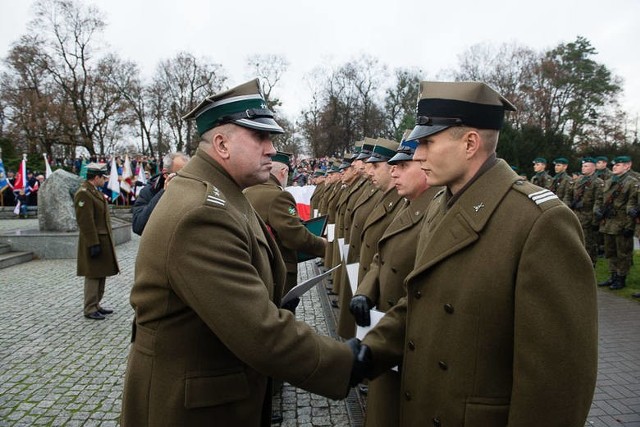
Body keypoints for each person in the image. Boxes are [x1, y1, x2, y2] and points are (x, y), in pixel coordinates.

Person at [120, 79, 366, 426]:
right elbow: (258, 331)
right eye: (260, 137)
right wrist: (344, 362)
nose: (271, 148)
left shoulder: (224, 194)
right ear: (221, 143)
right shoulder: (202, 213)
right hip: (189, 409)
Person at [359, 81, 598, 426]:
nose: (418, 154)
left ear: (470, 143)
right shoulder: (441, 204)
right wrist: (368, 352)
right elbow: (421, 301)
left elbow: (557, 381)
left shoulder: (539, 221)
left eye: (427, 142)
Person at [349, 133, 441, 427]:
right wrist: (365, 291)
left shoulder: (434, 209)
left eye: (403, 165)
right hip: (387, 330)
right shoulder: (408, 203)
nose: (393, 171)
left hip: (405, 337)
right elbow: (382, 255)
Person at [244, 150, 327, 298]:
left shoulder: (247, 191)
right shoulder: (279, 196)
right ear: (283, 171)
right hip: (278, 271)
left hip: (254, 267)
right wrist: (323, 246)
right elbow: (295, 235)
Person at [74, 163, 120, 320]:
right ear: (96, 177)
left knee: (101, 273)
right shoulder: (84, 193)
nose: (105, 180)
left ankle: (96, 304)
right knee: (93, 274)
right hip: (93, 240)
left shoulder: (94, 192)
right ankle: (90, 307)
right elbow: (85, 221)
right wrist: (93, 243)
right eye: (103, 178)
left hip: (101, 239)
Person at [595, 155, 638, 290]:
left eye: (619, 164)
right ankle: (613, 275)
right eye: (614, 164)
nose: (614, 166)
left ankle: (621, 278)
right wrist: (598, 210)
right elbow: (600, 198)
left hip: (622, 222)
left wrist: (629, 226)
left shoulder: (632, 182)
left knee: (623, 252)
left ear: (627, 166)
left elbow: (632, 204)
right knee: (610, 251)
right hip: (608, 222)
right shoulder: (608, 182)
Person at [130, 151, 189, 235]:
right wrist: (163, 193)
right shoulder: (149, 191)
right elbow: (138, 226)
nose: (186, 181)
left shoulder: (194, 190)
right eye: (180, 175)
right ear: (166, 174)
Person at [564, 157, 605, 267]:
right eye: (583, 166)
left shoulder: (598, 182)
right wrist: (568, 206)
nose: (583, 168)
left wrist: (595, 220)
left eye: (586, 166)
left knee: (589, 243)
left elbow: (599, 200)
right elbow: (568, 194)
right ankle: (576, 261)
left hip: (588, 216)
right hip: (576, 214)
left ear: (594, 167)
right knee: (575, 240)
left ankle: (590, 264)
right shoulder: (577, 180)